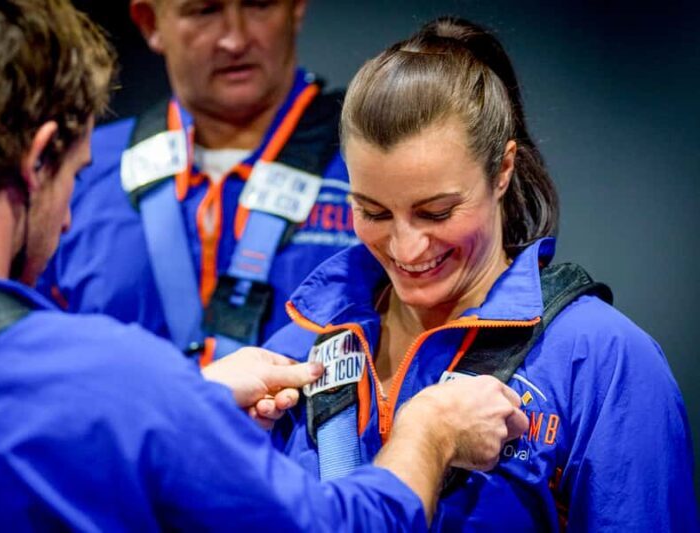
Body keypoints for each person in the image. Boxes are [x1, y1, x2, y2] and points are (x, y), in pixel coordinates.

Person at [0, 1, 530, 529]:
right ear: (38, 162)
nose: (69, 219)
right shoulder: (101, 373)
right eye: (76, 176)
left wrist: (185, 398)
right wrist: (429, 433)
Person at [265, 17, 698, 531]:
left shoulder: (602, 363)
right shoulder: (296, 353)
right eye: (373, 212)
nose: (406, 247)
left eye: (437, 212)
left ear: (502, 170)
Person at [36, 0, 359, 363]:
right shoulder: (76, 171)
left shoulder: (371, 162)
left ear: (296, 8)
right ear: (150, 23)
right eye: (205, 11)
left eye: (259, 5)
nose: (235, 40)